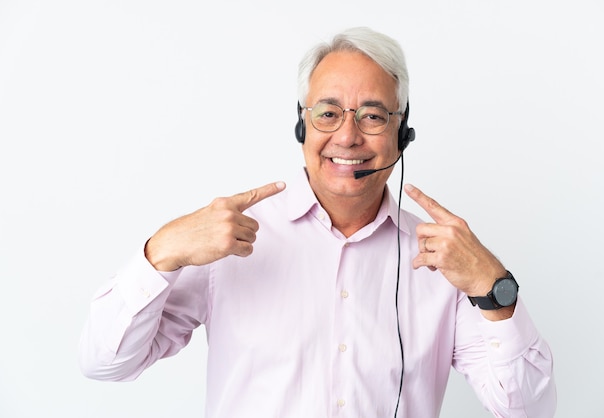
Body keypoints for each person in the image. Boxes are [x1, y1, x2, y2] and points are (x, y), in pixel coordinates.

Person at [79, 27, 556, 417]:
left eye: (372, 116)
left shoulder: (444, 260)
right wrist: (160, 252)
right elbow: (105, 363)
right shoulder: (232, 238)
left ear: (402, 130)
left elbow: (530, 410)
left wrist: (492, 286)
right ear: (302, 126)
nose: (347, 137)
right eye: (328, 113)